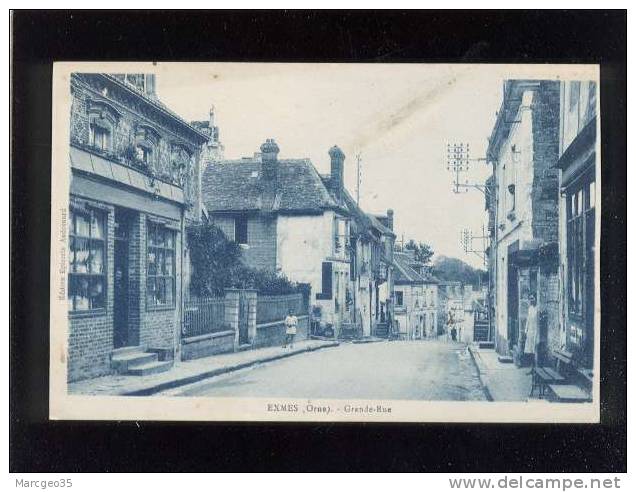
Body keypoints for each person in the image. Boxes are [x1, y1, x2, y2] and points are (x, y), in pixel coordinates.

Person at [524, 293, 538, 367]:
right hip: (530, 331)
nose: (531, 300)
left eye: (533, 298)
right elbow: (528, 320)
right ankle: (531, 367)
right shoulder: (530, 308)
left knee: (534, 349)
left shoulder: (537, 309)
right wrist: (526, 330)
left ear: (535, 299)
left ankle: (535, 367)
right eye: (530, 299)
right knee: (529, 350)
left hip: (535, 331)